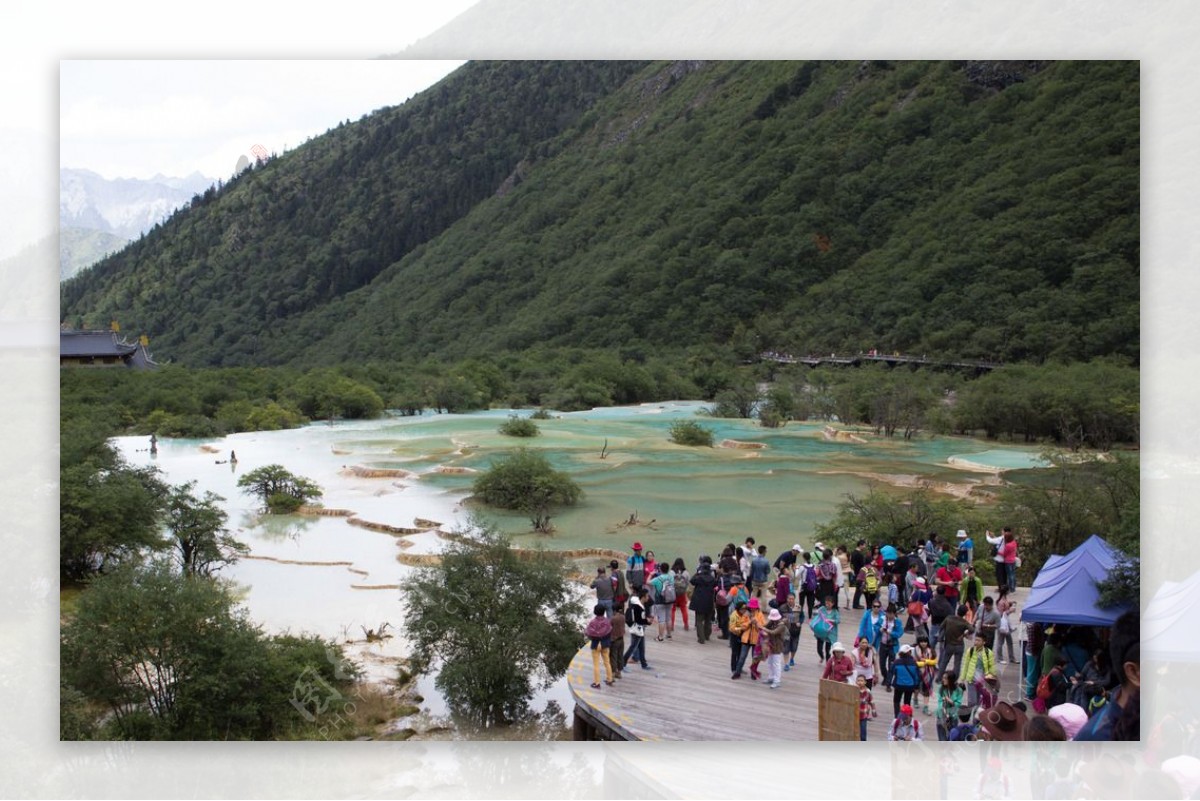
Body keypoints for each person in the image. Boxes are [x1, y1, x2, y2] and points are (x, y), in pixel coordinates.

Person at [961, 630, 998, 708]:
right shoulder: (970, 651)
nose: (976, 642)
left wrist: (992, 677)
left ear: (984, 642)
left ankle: (975, 717)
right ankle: (972, 713)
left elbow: (991, 666)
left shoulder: (989, 653)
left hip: (982, 681)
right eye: (976, 640)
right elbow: (966, 665)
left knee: (978, 701)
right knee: (972, 701)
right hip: (971, 679)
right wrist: (962, 678)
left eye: (979, 640)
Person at [937, 604, 971, 681]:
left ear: (957, 610)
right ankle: (954, 679)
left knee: (944, 662)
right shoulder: (964, 622)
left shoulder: (949, 618)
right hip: (959, 645)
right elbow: (972, 629)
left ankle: (939, 678)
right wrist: (964, 635)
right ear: (965, 614)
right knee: (957, 664)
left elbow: (941, 627)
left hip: (949, 644)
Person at [584, 604, 615, 688]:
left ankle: (597, 683)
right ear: (604, 612)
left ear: (595, 612)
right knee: (607, 662)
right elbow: (610, 630)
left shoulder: (593, 622)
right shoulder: (607, 621)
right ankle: (609, 679)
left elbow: (588, 632)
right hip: (605, 644)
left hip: (596, 644)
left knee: (596, 664)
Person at [621, 588, 652, 671]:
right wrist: (647, 621)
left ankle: (644, 664)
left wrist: (646, 621)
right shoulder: (638, 607)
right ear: (643, 597)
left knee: (641, 647)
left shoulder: (639, 604)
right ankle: (622, 663)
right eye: (647, 596)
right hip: (636, 629)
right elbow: (638, 620)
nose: (648, 598)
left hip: (639, 628)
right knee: (633, 647)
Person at [688, 559, 717, 643]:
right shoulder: (712, 579)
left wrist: (697, 572)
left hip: (699, 601)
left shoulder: (699, 577)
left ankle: (701, 638)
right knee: (708, 620)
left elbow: (692, 581)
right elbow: (716, 584)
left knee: (699, 620)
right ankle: (707, 635)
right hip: (709, 601)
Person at [891, 643, 922, 719]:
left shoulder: (897, 662)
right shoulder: (914, 663)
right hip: (910, 686)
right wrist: (917, 686)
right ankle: (906, 717)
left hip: (899, 685)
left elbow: (892, 671)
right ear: (909, 653)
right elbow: (917, 676)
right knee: (907, 702)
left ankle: (897, 717)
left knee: (896, 701)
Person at [878, 603, 904, 687]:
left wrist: (891, 632)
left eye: (891, 614)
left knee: (891, 664)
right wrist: (880, 629)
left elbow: (899, 633)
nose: (889, 615)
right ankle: (885, 677)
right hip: (882, 644)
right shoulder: (882, 619)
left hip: (892, 645)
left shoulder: (897, 622)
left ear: (894, 613)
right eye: (888, 613)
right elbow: (875, 627)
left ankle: (888, 682)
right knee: (882, 664)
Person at [763, 608, 788, 688]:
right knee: (770, 662)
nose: (773, 620)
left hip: (777, 646)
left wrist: (764, 629)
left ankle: (777, 681)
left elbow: (773, 632)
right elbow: (765, 626)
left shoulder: (782, 626)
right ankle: (771, 677)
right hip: (771, 645)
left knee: (776, 664)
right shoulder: (771, 622)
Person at [936, 670, 965, 741]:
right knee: (942, 738)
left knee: (952, 738)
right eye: (943, 678)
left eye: (945, 678)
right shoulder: (941, 688)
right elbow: (939, 702)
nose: (943, 680)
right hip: (942, 715)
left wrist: (951, 701)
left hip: (953, 717)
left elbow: (958, 704)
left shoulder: (959, 690)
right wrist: (944, 711)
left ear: (951, 680)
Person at [811, 594, 840, 662]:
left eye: (829, 603)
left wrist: (831, 621)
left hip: (830, 633)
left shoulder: (835, 612)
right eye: (826, 603)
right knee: (819, 649)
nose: (827, 604)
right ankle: (821, 656)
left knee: (828, 650)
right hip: (821, 632)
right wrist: (816, 612)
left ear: (833, 603)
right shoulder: (822, 609)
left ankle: (828, 663)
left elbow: (838, 621)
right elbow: (815, 614)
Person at [649, 562, 673, 641]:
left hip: (660, 600)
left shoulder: (657, 579)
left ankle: (660, 637)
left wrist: (651, 574)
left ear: (660, 569)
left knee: (661, 619)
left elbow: (647, 582)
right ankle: (669, 635)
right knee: (668, 618)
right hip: (669, 599)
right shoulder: (671, 577)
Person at [915, 634, 938, 713]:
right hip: (918, 671)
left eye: (925, 641)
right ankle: (915, 699)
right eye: (921, 641)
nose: (923, 643)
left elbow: (935, 661)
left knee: (927, 689)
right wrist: (922, 664)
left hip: (929, 673)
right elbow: (914, 662)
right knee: (917, 687)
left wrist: (927, 661)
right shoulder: (915, 650)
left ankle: (926, 706)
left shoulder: (931, 650)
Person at [994, 587, 1017, 664]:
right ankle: (999, 658)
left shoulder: (1004, 600)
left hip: (1006, 623)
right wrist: (1010, 610)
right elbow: (1001, 614)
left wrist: (1010, 603)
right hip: (1002, 624)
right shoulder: (1001, 602)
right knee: (1000, 642)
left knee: (1009, 641)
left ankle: (1012, 658)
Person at [780, 594, 803, 671]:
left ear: (794, 599)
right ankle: (786, 664)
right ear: (787, 599)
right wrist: (781, 621)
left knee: (794, 647)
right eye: (789, 599)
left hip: (796, 631)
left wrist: (800, 622)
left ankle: (792, 658)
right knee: (785, 648)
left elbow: (802, 616)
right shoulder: (782, 608)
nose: (791, 600)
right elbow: (778, 617)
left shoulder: (798, 607)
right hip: (786, 630)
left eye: (792, 599)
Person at [669, 557, 690, 634]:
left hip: (673, 593)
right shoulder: (686, 572)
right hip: (682, 594)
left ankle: (671, 626)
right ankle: (686, 625)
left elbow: (669, 582)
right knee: (683, 609)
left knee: (672, 609)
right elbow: (688, 583)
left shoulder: (671, 572)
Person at [797, 551, 818, 617]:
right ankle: (810, 615)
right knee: (810, 602)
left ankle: (801, 615)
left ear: (804, 558)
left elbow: (797, 575)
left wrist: (797, 568)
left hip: (803, 586)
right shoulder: (814, 566)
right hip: (811, 586)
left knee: (801, 602)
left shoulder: (802, 567)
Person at [609, 599, 625, 680]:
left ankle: (612, 674)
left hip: (614, 640)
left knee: (613, 657)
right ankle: (619, 673)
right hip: (621, 639)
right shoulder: (623, 617)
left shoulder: (613, 619)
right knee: (620, 656)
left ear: (614, 610)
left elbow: (609, 628)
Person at [857, 674, 877, 741]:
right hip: (855, 714)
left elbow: (872, 702)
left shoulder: (868, 691)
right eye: (858, 681)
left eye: (862, 681)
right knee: (854, 731)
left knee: (863, 732)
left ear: (865, 682)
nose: (860, 682)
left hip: (863, 715)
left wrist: (874, 710)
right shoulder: (854, 690)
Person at [850, 540, 868, 609]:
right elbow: (862, 565)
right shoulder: (859, 554)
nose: (864, 547)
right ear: (860, 545)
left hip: (856, 572)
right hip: (860, 573)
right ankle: (856, 604)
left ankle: (856, 603)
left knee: (858, 589)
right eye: (864, 545)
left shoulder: (853, 553)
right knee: (859, 589)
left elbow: (851, 563)